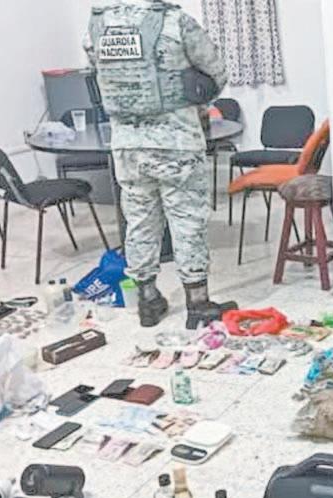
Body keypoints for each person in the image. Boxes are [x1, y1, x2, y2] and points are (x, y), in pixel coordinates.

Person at [84, 0, 235, 329]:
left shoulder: (97, 25)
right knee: (187, 221)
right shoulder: (175, 21)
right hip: (176, 142)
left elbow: (98, 74)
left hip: (126, 145)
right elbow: (216, 72)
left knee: (139, 222)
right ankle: (198, 302)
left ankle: (148, 300)